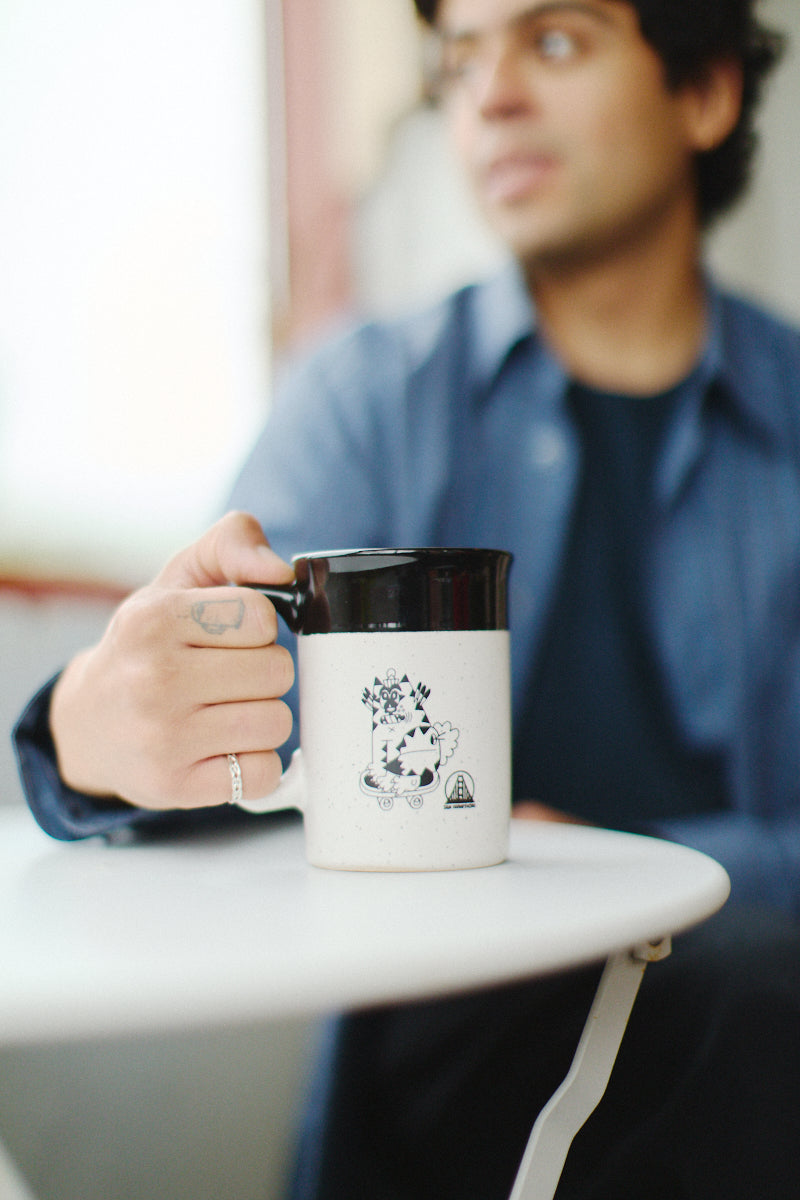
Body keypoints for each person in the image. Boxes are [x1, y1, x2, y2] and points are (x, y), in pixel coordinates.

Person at [13, 0, 800, 1196]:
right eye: (460, 56)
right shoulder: (366, 401)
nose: (487, 98)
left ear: (702, 94)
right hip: (452, 1092)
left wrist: (608, 866)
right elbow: (227, 722)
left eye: (551, 41)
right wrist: (91, 730)